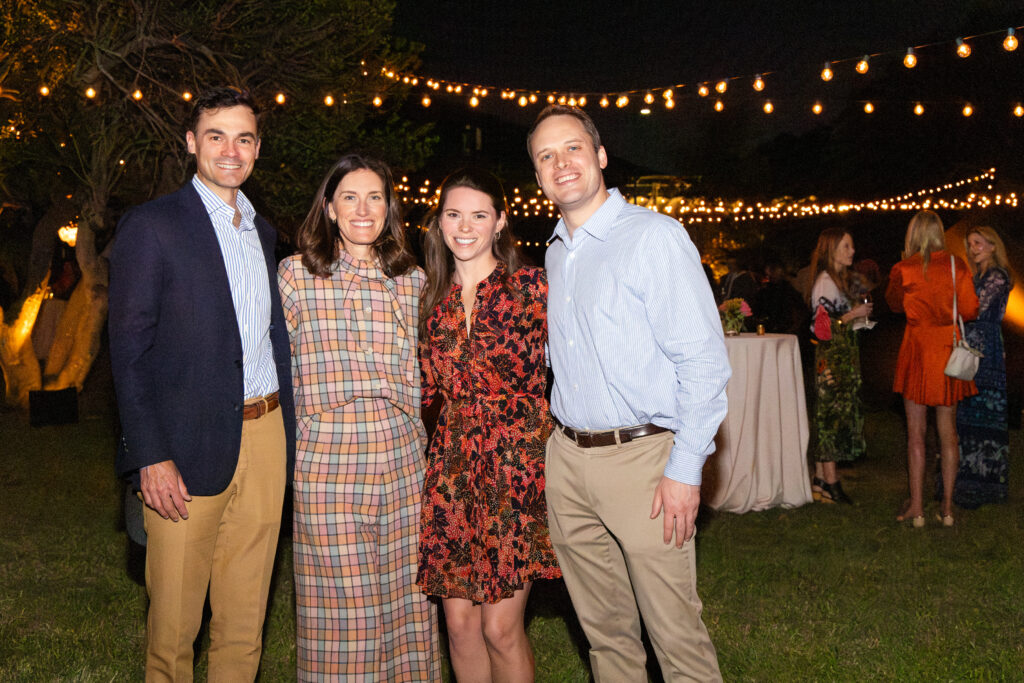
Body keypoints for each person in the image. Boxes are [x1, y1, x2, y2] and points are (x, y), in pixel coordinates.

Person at [529, 104, 729, 681]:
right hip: (567, 460)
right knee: (606, 639)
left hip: (644, 461)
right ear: (538, 175)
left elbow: (704, 363)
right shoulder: (555, 253)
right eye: (546, 156)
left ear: (600, 156)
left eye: (572, 148)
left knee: (677, 637)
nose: (561, 163)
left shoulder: (653, 237)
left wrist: (686, 469)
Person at [108, 86, 296, 680]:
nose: (230, 150)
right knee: (174, 629)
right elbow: (128, 354)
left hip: (266, 437)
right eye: (216, 136)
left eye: (244, 138)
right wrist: (150, 455)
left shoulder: (262, 234)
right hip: (183, 448)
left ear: (258, 149)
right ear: (192, 143)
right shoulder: (152, 225)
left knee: (244, 623)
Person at [277, 154, 439, 680]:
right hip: (328, 460)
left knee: (408, 607)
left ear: (390, 208)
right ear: (329, 206)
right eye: (350, 197)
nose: (363, 209)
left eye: (375, 197)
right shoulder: (296, 275)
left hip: (403, 459)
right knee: (344, 612)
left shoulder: (412, 280)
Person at [416, 168, 561, 682]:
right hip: (454, 469)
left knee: (501, 628)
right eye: (453, 214)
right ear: (439, 222)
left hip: (516, 467)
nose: (465, 225)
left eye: (479, 214)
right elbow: (424, 388)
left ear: (499, 221)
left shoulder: (534, 286)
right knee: (459, 627)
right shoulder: (428, 299)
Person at [885, 210, 979, 527]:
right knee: (948, 432)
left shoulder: (904, 268)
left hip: (917, 350)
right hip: (947, 351)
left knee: (916, 434)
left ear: (912, 236)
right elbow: (969, 309)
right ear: (939, 234)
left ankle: (917, 507)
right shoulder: (957, 265)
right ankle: (948, 508)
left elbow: (894, 304)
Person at [806, 228, 873, 504]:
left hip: (843, 355)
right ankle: (832, 482)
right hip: (830, 358)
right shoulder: (824, 282)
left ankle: (821, 479)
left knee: (835, 415)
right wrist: (852, 315)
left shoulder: (841, 280)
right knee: (830, 418)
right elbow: (820, 328)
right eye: (846, 246)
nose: (852, 251)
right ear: (832, 250)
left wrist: (856, 319)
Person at [952, 226, 1013, 508]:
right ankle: (964, 480)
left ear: (992, 245)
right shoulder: (976, 276)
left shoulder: (997, 277)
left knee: (986, 413)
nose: (972, 248)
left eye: (977, 243)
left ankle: (985, 484)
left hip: (986, 348)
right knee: (966, 413)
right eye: (970, 244)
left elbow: (976, 308)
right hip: (971, 344)